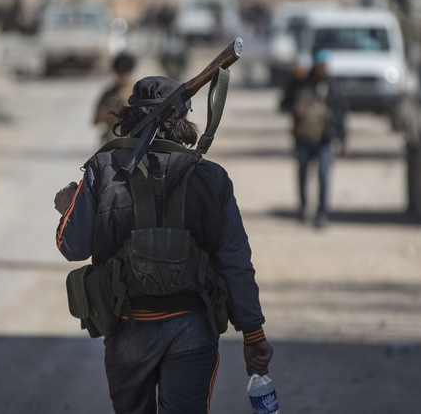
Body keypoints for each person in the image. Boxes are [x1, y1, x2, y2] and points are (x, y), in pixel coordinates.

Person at [54, 75, 274, 414]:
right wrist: (253, 334)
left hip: (128, 329)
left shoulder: (104, 167)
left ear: (130, 120)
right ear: (184, 120)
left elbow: (73, 246)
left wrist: (70, 206)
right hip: (193, 328)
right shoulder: (211, 177)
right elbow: (235, 262)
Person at [280, 49, 347, 228]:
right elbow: (283, 103)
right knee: (302, 173)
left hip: (325, 139)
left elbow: (340, 113)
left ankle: (322, 213)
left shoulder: (332, 86)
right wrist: (293, 106)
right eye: (322, 66)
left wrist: (343, 139)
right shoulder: (299, 83)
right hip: (303, 138)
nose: (325, 70)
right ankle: (303, 208)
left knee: (324, 175)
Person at [93, 52, 137, 144]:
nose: (124, 77)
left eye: (126, 73)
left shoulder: (137, 93)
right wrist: (112, 111)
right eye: (120, 72)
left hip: (133, 145)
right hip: (112, 144)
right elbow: (96, 120)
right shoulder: (109, 94)